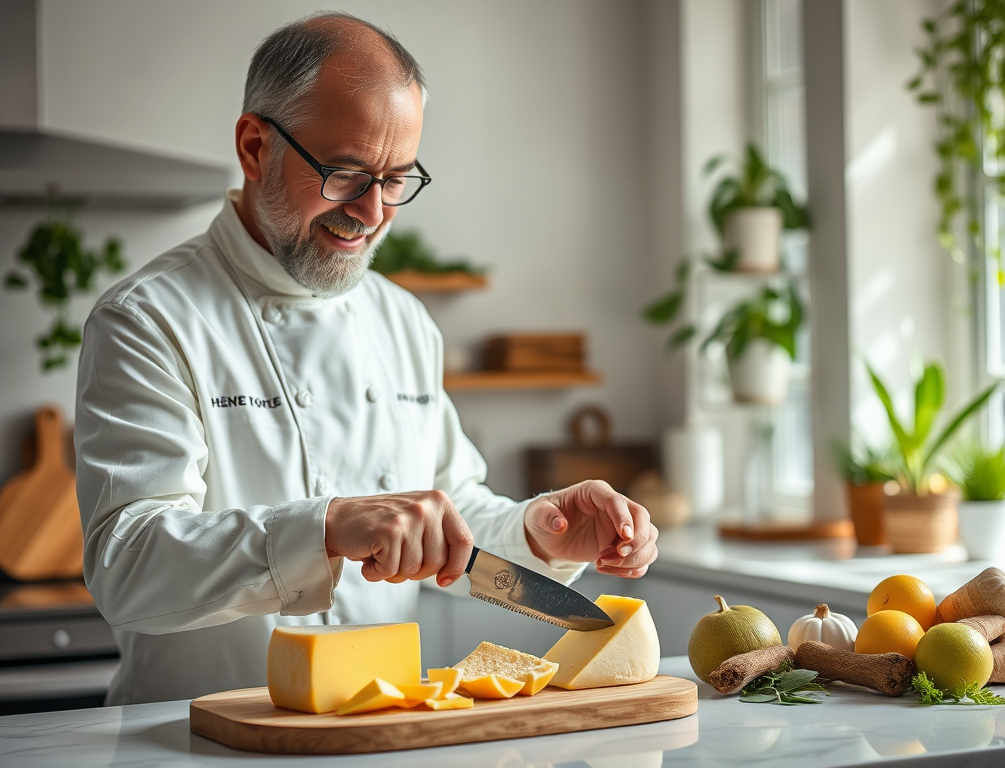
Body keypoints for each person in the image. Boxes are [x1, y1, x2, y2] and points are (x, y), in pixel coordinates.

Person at [75, 11, 657, 706]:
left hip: (372, 734)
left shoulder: (401, 319)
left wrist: (542, 533)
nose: (373, 212)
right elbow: (127, 563)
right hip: (193, 743)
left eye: (396, 179)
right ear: (255, 147)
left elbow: (448, 510)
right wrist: (323, 528)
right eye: (347, 173)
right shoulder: (149, 320)